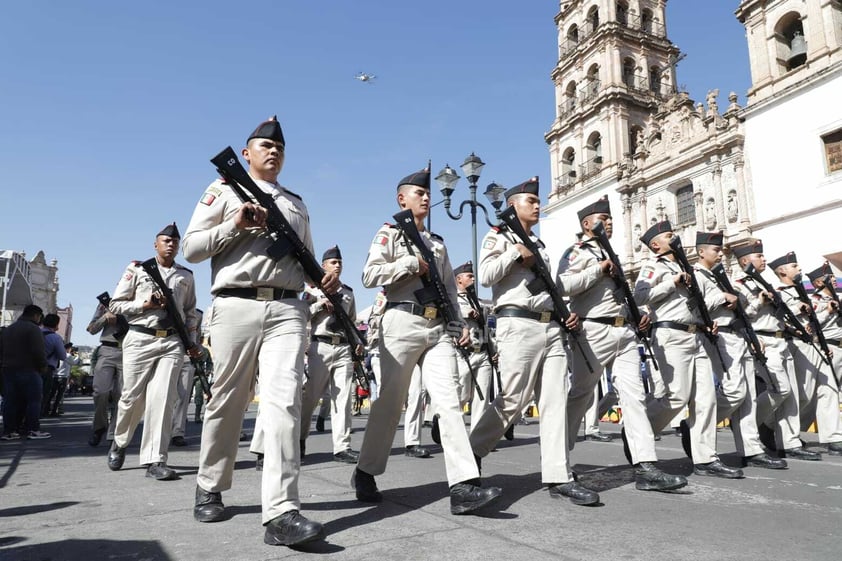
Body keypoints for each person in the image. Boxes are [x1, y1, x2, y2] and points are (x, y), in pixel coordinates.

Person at [183, 116, 333, 546]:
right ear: (245, 154)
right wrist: (236, 224)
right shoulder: (224, 191)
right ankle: (210, 483)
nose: (273, 152)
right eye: (264, 146)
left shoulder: (295, 203)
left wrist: (320, 280)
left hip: (288, 309)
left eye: (279, 148)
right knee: (227, 401)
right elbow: (193, 247)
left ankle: (282, 512)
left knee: (285, 403)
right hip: (236, 303)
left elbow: (304, 260)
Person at [353, 164, 502, 515]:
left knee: (448, 401)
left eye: (428, 193)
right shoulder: (389, 232)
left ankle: (465, 485)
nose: (426, 197)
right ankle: (366, 471)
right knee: (390, 402)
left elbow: (450, 289)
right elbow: (370, 274)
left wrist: (459, 324)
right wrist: (408, 264)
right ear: (401, 198)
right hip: (401, 320)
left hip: (438, 328)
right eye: (419, 193)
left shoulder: (437, 243)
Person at [471, 177, 599, 505]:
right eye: (530, 200)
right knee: (513, 398)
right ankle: (469, 455)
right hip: (517, 324)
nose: (537, 205)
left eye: (538, 200)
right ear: (513, 205)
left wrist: (565, 314)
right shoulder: (498, 236)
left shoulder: (540, 246)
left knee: (555, 401)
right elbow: (485, 276)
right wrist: (514, 253)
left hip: (552, 328)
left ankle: (558, 475)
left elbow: (553, 288)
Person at [561, 197, 687, 491]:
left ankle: (645, 465)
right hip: (592, 331)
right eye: (603, 218)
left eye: (612, 218)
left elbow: (619, 296)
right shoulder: (577, 252)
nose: (609, 223)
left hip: (624, 332)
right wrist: (597, 270)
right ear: (586, 224)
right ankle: (558, 459)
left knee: (634, 397)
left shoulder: (612, 253)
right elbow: (563, 286)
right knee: (580, 394)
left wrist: (636, 314)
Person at [633, 221, 742, 478]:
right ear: (656, 245)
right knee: (676, 397)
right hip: (670, 334)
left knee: (706, 399)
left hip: (696, 336)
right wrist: (671, 282)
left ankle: (705, 459)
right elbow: (640, 297)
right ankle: (638, 432)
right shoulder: (653, 266)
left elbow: (704, 301)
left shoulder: (689, 268)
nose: (676, 237)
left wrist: (714, 313)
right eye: (670, 235)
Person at [106, 223, 200, 481]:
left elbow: (190, 313)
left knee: (163, 399)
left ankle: (155, 459)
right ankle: (120, 442)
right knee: (131, 397)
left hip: (171, 343)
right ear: (155, 244)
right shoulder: (137, 269)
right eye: (165, 240)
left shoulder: (186, 276)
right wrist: (144, 305)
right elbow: (115, 304)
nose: (170, 244)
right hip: (140, 338)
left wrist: (192, 341)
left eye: (174, 242)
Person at [692, 232, 786, 469]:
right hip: (719, 334)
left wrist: (751, 336)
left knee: (749, 397)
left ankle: (751, 449)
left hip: (739, 333)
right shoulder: (696, 275)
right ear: (702, 252)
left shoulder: (719, 276)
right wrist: (722, 297)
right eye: (716, 250)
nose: (721, 253)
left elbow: (743, 311)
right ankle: (696, 425)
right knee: (735, 392)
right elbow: (694, 306)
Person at [730, 242, 818, 460]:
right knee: (781, 389)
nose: (764, 259)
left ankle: (789, 442)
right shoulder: (738, 285)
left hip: (781, 339)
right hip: (763, 340)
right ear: (744, 261)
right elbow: (742, 316)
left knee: (792, 396)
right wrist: (759, 301)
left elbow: (778, 316)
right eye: (759, 256)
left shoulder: (765, 283)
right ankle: (746, 422)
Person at [771, 252, 842, 456]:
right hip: (796, 345)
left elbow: (811, 322)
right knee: (802, 394)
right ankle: (773, 426)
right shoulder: (780, 293)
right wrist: (827, 312)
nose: (799, 269)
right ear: (783, 271)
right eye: (795, 265)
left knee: (828, 389)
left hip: (814, 345)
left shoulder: (800, 292)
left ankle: (834, 437)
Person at [299, 245, 360, 463]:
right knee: (311, 397)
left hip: (343, 347)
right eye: (333, 262)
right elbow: (300, 315)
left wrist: (356, 346)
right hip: (320, 346)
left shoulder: (348, 293)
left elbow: (352, 322)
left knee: (342, 398)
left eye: (340, 262)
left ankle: (342, 447)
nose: (338, 265)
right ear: (323, 266)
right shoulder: (313, 291)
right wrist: (318, 307)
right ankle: (300, 438)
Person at [453, 261, 494, 433]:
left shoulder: (478, 302)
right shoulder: (452, 300)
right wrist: (465, 313)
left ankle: (476, 437)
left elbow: (488, 328)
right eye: (469, 276)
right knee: (462, 395)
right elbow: (449, 317)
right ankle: (453, 429)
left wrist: (494, 350)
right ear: (459, 279)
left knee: (481, 397)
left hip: (483, 352)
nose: (473, 279)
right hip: (464, 353)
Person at [0, 305, 50, 440]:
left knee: (10, 401)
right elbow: (38, 351)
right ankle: (33, 429)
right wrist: (43, 366)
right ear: (36, 315)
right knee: (34, 400)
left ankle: (9, 431)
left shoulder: (9, 329)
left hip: (8, 369)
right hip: (29, 369)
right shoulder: (33, 329)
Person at [86, 297, 126, 446]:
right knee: (100, 391)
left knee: (121, 395)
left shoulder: (140, 303)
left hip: (129, 350)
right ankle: (99, 427)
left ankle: (114, 433)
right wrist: (105, 317)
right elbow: (91, 329)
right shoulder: (106, 305)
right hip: (107, 349)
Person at [807, 263, 842, 385]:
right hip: (829, 347)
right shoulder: (815, 301)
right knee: (831, 386)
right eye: (829, 277)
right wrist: (828, 311)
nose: (834, 279)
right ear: (818, 283)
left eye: (833, 276)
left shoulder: (838, 297)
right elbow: (810, 325)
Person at [40, 314, 66, 418]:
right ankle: (33, 423)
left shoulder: (35, 332)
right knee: (42, 395)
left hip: (29, 368)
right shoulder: (55, 337)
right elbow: (62, 356)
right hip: (46, 369)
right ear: (56, 324)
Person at [48, 343, 79, 417]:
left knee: (51, 394)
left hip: (54, 376)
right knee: (59, 396)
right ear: (68, 348)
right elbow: (74, 362)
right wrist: (77, 355)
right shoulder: (67, 355)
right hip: (63, 377)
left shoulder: (57, 354)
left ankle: (46, 410)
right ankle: (54, 411)